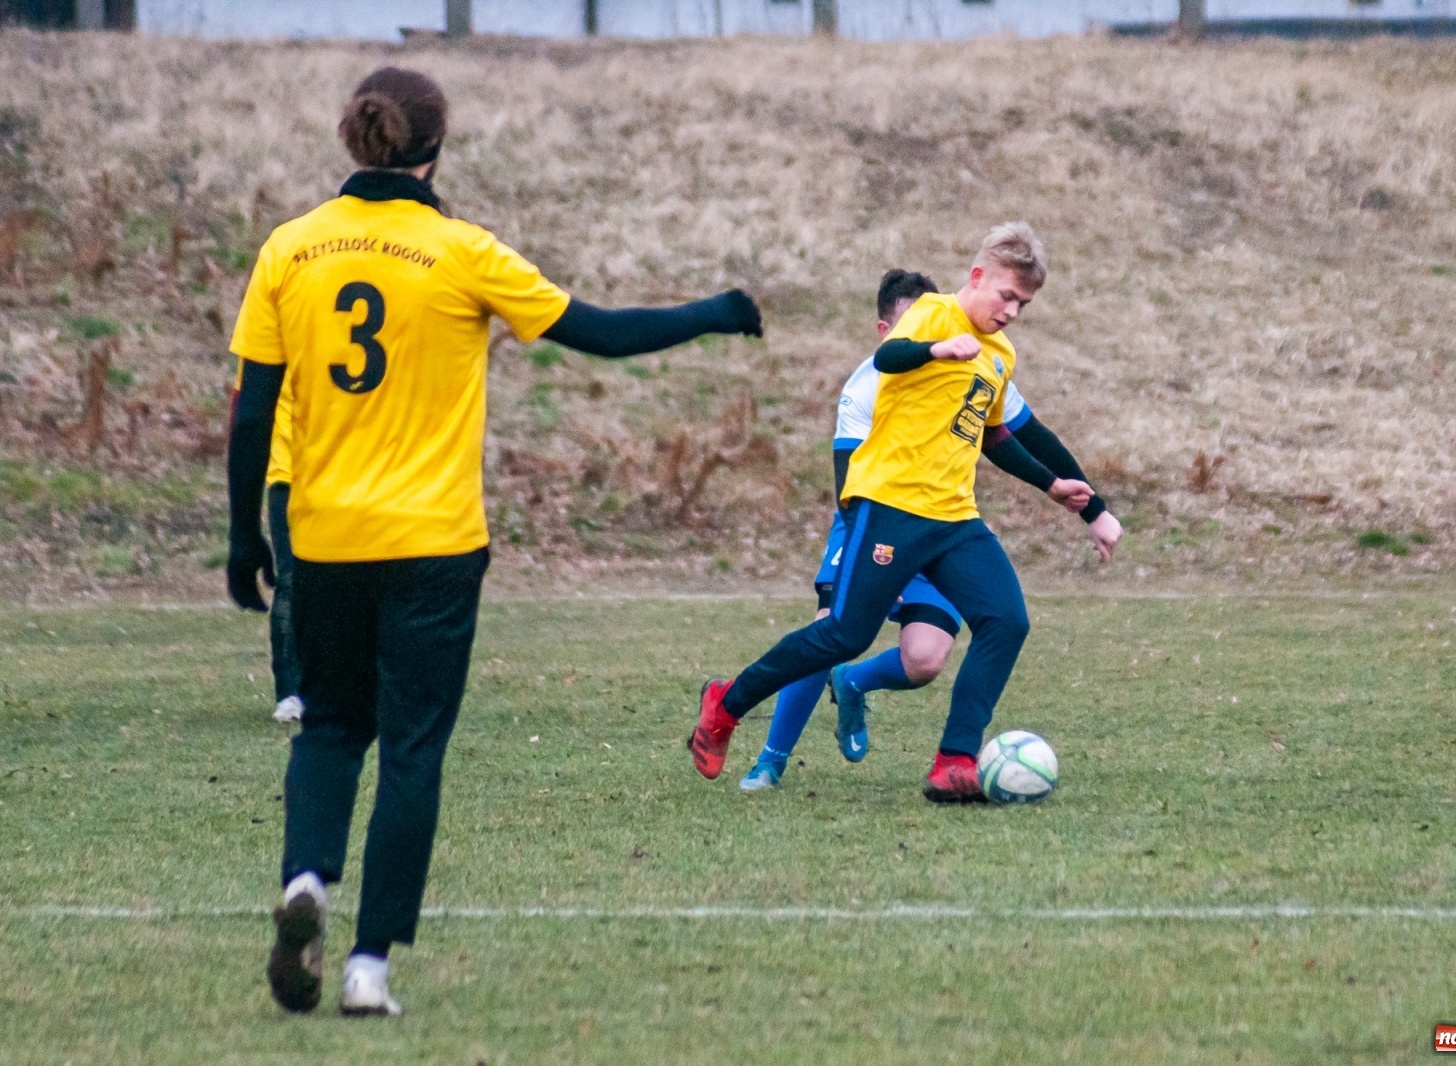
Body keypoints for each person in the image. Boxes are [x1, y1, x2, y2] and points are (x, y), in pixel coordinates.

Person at [226, 66, 762, 1017]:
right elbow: (593, 331)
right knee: (413, 754)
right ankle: (366, 972)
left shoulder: (289, 251)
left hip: (326, 541)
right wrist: (712, 314)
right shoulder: (460, 252)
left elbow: (254, 410)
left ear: (358, 138)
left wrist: (242, 538)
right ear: (437, 144)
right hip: (434, 547)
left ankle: (306, 878)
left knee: (333, 729)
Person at [692, 222, 1114, 802]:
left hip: (954, 519)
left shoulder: (999, 355)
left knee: (1006, 620)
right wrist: (937, 349)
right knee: (842, 635)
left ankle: (955, 761)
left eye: (1024, 303)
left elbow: (992, 436)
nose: (1013, 311)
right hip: (890, 507)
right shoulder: (935, 314)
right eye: (1007, 295)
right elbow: (889, 357)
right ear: (977, 277)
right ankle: (725, 704)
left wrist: (1064, 492)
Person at [265, 380, 303, 724]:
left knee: (294, 581)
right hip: (292, 476)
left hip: (294, 474)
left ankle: (295, 692)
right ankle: (290, 691)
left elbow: (246, 410)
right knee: (293, 581)